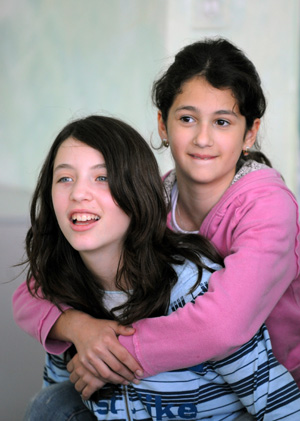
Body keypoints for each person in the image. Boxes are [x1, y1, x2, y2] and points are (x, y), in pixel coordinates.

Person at [13, 37, 300, 403]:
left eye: (223, 122)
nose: (203, 138)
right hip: (184, 387)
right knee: (53, 403)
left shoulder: (270, 208)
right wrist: (82, 329)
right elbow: (43, 283)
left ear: (250, 133)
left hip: (274, 388)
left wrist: (110, 355)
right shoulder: (153, 198)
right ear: (163, 125)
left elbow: (224, 324)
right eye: (187, 118)